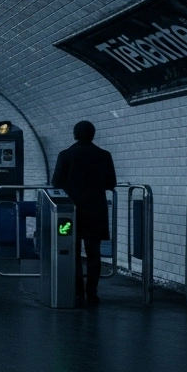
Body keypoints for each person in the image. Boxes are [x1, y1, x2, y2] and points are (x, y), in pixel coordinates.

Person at [51, 120, 117, 305]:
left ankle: (78, 292)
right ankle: (93, 293)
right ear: (93, 134)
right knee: (93, 253)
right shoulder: (104, 155)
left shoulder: (65, 155)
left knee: (73, 253)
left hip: (72, 211)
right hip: (96, 210)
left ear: (74, 134)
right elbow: (110, 183)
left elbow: (56, 183)